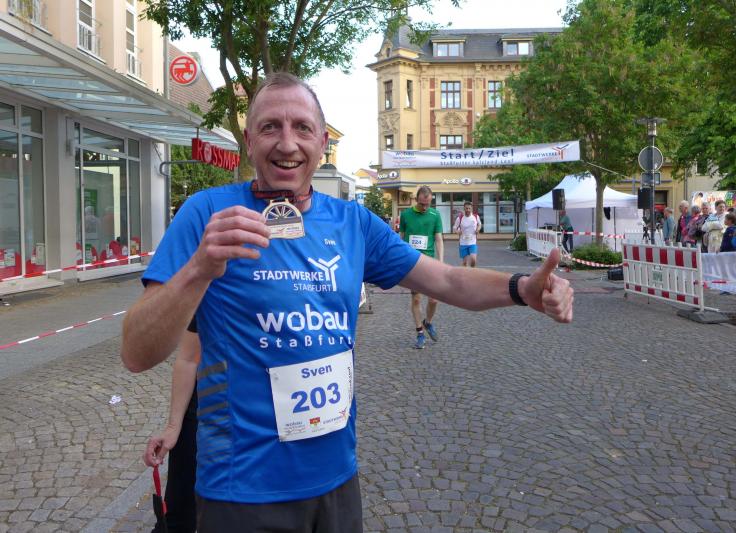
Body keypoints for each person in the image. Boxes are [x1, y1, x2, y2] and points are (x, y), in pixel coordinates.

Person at [120, 72, 575, 532]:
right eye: (270, 127)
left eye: (302, 127)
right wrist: (198, 269)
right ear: (249, 141)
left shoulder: (352, 222)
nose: (287, 143)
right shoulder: (208, 214)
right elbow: (137, 353)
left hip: (335, 480)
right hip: (242, 490)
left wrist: (521, 289)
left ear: (322, 143)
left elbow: (448, 279)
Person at [143, 324, 199, 533]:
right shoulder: (206, 300)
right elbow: (188, 359)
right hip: (207, 414)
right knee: (178, 519)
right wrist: (173, 427)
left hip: (280, 421)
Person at [399, 186, 444, 349]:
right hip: (412, 263)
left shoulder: (435, 215)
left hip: (429, 263)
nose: (425, 207)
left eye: (428, 204)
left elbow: (438, 239)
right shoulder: (406, 215)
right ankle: (419, 333)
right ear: (416, 199)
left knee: (434, 299)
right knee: (416, 299)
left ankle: (428, 322)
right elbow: (400, 239)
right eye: (422, 204)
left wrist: (440, 261)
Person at [453, 200, 481, 267]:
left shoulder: (475, 217)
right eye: (466, 208)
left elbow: (479, 224)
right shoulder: (460, 218)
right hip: (463, 243)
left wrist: (478, 229)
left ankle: (472, 271)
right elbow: (454, 227)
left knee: (473, 259)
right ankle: (465, 272)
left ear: (471, 209)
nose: (468, 210)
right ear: (464, 209)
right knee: (465, 263)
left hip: (472, 242)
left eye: (469, 208)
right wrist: (457, 231)